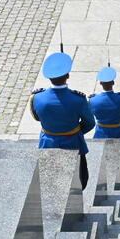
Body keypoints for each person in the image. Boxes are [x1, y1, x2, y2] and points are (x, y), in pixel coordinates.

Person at [29, 51, 95, 189]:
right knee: (79, 180)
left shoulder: (37, 98)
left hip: (48, 143)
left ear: (49, 77)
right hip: (73, 142)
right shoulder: (79, 99)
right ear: (68, 75)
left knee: (51, 182)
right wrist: (75, 131)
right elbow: (90, 122)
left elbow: (36, 117)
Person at [89, 66, 120, 161]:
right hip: (119, 134)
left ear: (100, 83)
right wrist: (118, 119)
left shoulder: (93, 100)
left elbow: (89, 115)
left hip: (101, 135)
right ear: (113, 82)